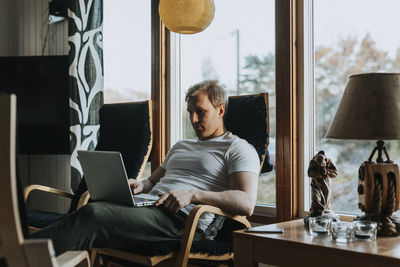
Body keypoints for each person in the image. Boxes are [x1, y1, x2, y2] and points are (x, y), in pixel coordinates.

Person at [31, 80, 260, 255]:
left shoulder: (238, 148)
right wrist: (140, 185)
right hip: (150, 208)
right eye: (190, 112)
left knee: (94, 214)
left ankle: (18, 256)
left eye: (201, 111)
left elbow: (246, 203)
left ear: (220, 111)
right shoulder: (181, 146)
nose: (193, 119)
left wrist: (193, 194)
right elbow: (152, 181)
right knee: (95, 208)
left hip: (182, 222)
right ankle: (24, 254)